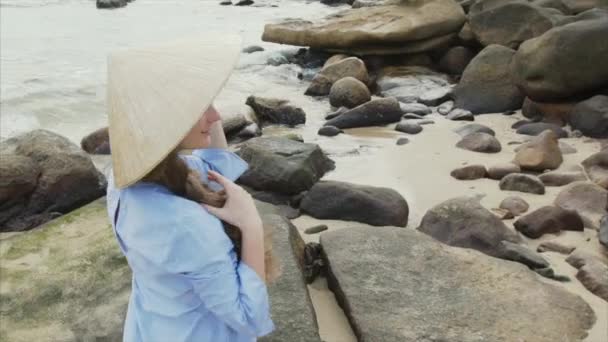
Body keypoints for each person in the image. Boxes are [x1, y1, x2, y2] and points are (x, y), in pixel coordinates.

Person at [105, 34, 275, 342]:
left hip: (151, 328)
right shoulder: (187, 224)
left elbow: (215, 166)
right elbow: (250, 319)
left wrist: (201, 91)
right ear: (166, 120)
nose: (217, 116)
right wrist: (251, 223)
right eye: (201, 107)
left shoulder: (121, 184)